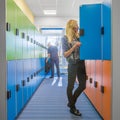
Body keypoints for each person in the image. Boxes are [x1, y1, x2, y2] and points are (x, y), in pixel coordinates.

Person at [61, 20, 87, 116]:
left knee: (83, 85)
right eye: (75, 27)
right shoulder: (64, 38)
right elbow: (65, 54)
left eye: (77, 26)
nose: (77, 28)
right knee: (70, 86)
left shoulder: (79, 37)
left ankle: (71, 103)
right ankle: (73, 108)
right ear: (71, 28)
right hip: (72, 64)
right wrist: (74, 46)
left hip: (81, 63)